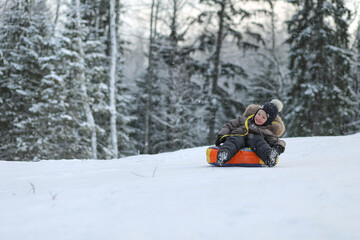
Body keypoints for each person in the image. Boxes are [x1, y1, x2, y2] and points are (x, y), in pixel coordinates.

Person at [215, 99, 286, 167]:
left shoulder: (266, 131)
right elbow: (229, 125)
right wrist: (221, 135)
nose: (259, 118)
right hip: (238, 136)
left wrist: (278, 148)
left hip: (254, 142)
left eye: (263, 117)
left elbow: (278, 141)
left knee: (259, 141)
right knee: (234, 139)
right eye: (259, 114)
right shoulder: (244, 119)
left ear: (268, 121)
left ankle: (269, 157)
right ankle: (224, 154)